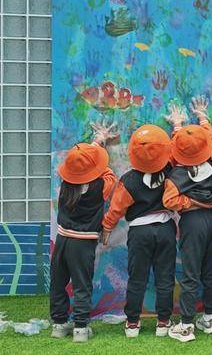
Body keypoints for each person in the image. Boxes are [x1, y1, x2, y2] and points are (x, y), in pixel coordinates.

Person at [102, 124, 176, 338]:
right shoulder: (170, 170)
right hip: (165, 230)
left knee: (137, 278)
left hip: (139, 233)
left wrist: (107, 227)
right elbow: (179, 152)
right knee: (165, 278)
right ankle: (163, 322)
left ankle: (132, 323)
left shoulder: (128, 180)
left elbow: (116, 208)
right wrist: (177, 127)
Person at [51, 119, 118, 342]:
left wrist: (94, 143)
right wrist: (99, 144)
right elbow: (107, 173)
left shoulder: (65, 184)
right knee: (82, 285)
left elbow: (78, 166)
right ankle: (80, 328)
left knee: (58, 283)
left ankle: (59, 324)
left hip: (62, 239)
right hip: (83, 244)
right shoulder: (102, 185)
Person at [160, 98, 212, 342]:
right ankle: (210, 319)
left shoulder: (176, 174)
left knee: (191, 272)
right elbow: (208, 140)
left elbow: (169, 201)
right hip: (211, 220)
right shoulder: (209, 161)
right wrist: (203, 117)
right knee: (211, 271)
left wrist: (177, 125)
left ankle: (185, 325)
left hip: (192, 222)